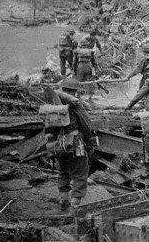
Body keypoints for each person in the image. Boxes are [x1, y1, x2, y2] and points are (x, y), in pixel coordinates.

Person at [45, 78, 95, 212]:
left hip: (58, 145)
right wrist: (87, 136)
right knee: (80, 172)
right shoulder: (75, 106)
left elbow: (48, 129)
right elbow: (86, 125)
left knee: (64, 172)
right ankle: (75, 206)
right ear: (75, 92)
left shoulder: (53, 106)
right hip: (74, 144)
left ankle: (63, 201)